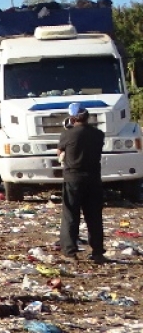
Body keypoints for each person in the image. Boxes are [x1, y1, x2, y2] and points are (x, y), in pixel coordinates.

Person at [56, 103, 108, 262]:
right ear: (87, 116)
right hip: (93, 179)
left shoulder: (67, 135)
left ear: (72, 118)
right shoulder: (98, 134)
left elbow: (60, 152)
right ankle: (98, 252)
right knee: (94, 216)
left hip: (73, 178)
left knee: (71, 215)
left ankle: (70, 251)